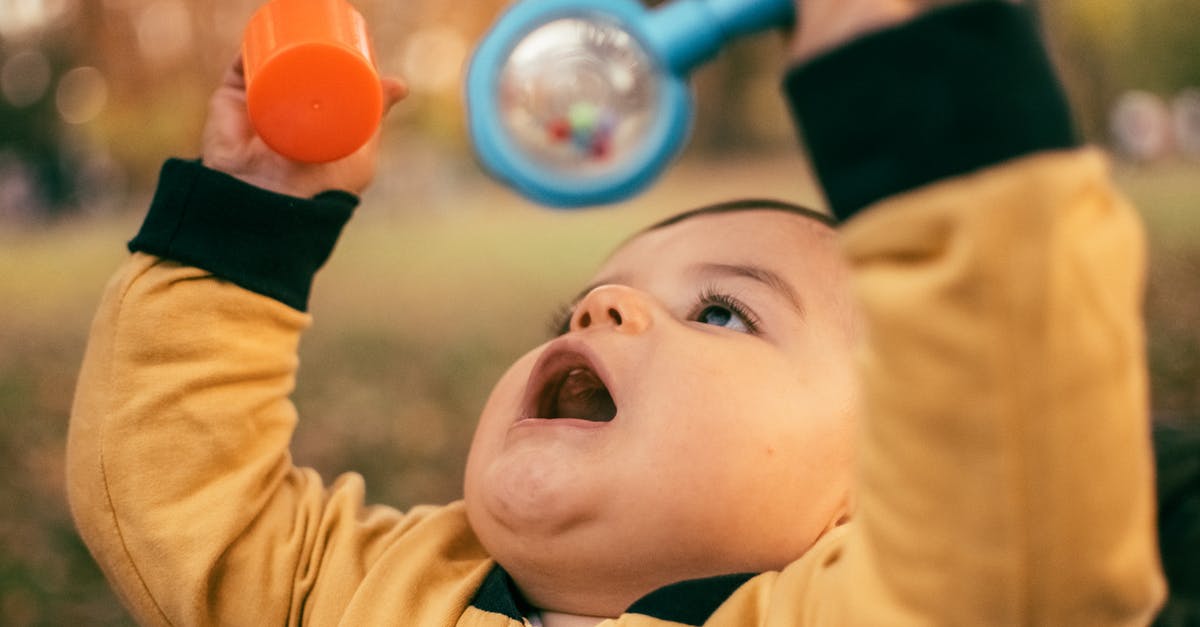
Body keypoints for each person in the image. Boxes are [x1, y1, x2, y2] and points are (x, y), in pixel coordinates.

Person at [67, 0, 1167, 625]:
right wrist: (249, 217)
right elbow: (180, 498)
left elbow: (1035, 489)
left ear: (886, 485)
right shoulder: (369, 592)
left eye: (725, 313)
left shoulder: (879, 608)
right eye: (587, 301)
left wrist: (915, 60)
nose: (601, 306)